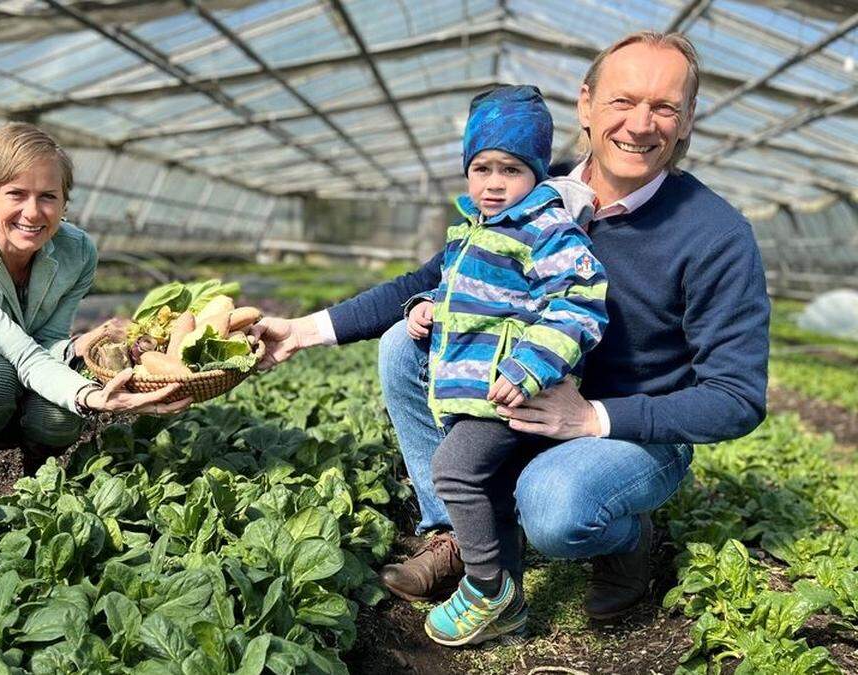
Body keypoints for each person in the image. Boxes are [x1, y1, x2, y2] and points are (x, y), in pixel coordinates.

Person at [253, 30, 769, 627]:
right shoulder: (527, 186)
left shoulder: (716, 235)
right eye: (622, 101)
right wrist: (301, 332)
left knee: (555, 508)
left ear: (686, 121)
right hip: (521, 391)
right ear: (585, 105)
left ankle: (627, 541)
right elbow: (436, 275)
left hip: (628, 424)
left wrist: (592, 419)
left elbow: (735, 400)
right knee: (404, 343)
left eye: (665, 107)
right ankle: (458, 531)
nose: (640, 124)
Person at [407, 86, 607, 646]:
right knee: (489, 490)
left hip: (506, 392)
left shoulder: (545, 229)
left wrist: (526, 369)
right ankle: (510, 611)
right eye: (481, 168)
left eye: (511, 169)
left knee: (453, 471)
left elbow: (579, 300)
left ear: (537, 172)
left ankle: (486, 587)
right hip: (470, 389)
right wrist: (425, 307)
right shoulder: (471, 229)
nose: (494, 183)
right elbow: (455, 290)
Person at [0, 123, 191, 521]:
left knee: (61, 412)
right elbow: (18, 352)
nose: (33, 212)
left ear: (64, 202)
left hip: (33, 364)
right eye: (16, 193)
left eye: (48, 197)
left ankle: (38, 483)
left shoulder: (77, 251)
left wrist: (74, 348)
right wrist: (94, 396)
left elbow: (47, 337)